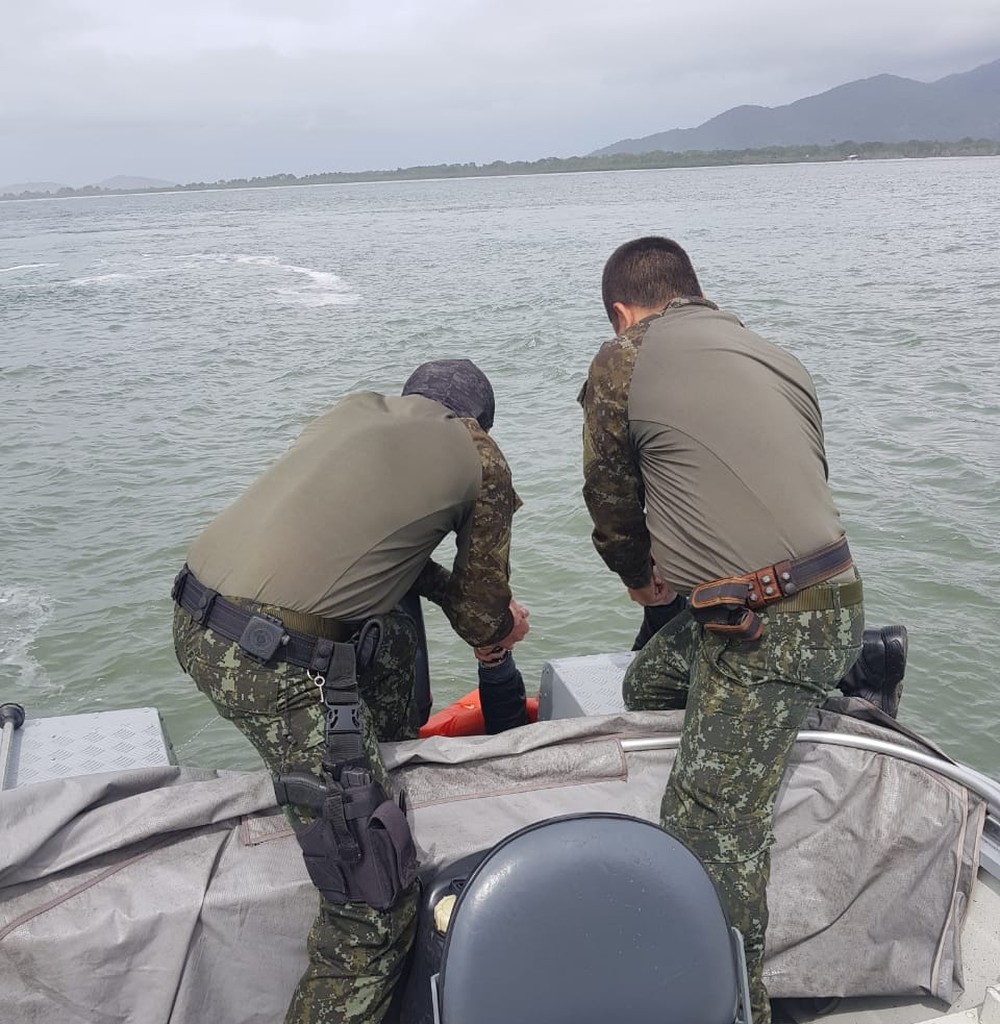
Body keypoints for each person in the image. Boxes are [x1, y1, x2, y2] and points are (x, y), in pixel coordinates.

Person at [171, 358, 529, 1024]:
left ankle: (354, 779)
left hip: (195, 618)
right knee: (373, 904)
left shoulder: (353, 412)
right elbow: (482, 616)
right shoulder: (479, 457)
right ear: (479, 424)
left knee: (379, 614)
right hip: (277, 662)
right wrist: (502, 623)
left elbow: (379, 554)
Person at [579, 237, 865, 1024]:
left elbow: (610, 500)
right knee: (648, 683)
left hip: (767, 629)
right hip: (836, 599)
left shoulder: (625, 354)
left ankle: (737, 1008)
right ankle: (834, 676)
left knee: (707, 824)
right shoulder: (772, 355)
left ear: (621, 311)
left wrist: (639, 579)